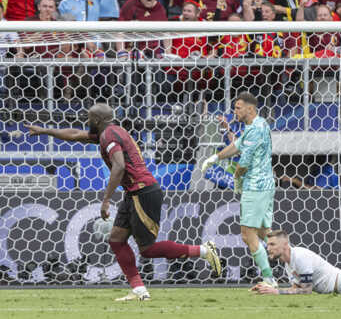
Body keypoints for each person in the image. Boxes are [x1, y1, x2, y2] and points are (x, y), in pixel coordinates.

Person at [25, 103, 222, 301]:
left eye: (88, 118)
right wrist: (45, 130)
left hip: (143, 192)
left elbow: (118, 165)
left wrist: (106, 199)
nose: (86, 121)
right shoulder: (111, 131)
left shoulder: (109, 136)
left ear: (96, 120)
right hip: (133, 193)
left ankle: (205, 251)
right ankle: (139, 290)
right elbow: (76, 134)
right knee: (116, 240)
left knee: (148, 250)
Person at [201, 91, 276, 287]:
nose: (235, 111)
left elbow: (245, 160)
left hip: (256, 186)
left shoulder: (256, 128)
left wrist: (237, 178)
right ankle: (295, 266)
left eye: (238, 107)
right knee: (264, 233)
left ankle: (268, 279)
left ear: (250, 109)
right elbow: (236, 146)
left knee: (247, 234)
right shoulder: (254, 127)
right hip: (263, 185)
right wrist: (215, 158)